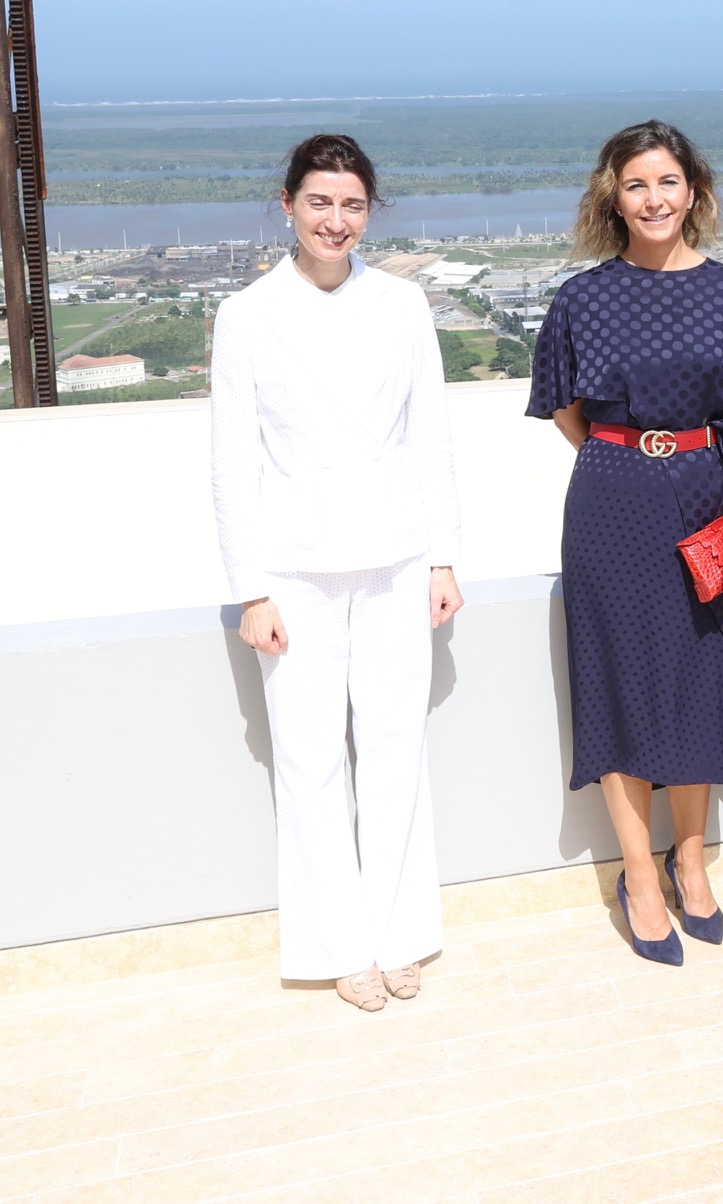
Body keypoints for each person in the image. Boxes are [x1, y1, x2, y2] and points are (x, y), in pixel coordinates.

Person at [527, 120, 723, 967]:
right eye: (637, 184)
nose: (654, 199)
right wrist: (628, 458)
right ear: (614, 195)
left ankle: (690, 858)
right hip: (609, 507)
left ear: (694, 192)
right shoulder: (581, 298)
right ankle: (639, 874)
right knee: (615, 682)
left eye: (669, 182)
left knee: (700, 681)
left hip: (708, 502)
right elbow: (566, 406)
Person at [210, 133, 463, 1012]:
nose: (336, 219)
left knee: (395, 747)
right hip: (294, 570)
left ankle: (400, 933)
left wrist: (442, 556)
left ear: (370, 212)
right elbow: (232, 460)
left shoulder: (402, 303)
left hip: (396, 560)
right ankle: (337, 945)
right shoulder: (246, 314)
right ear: (287, 205)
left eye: (352, 204)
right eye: (320, 201)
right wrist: (252, 587)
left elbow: (428, 436)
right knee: (310, 757)